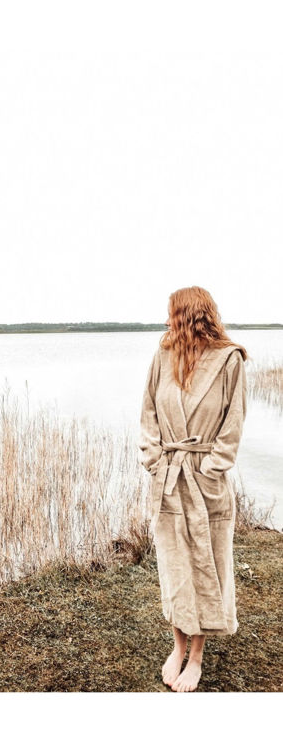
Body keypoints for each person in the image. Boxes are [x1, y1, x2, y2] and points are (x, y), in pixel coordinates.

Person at [139, 286, 248, 692]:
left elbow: (233, 424)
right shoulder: (162, 357)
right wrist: (153, 460)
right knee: (174, 565)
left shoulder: (229, 361)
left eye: (171, 314)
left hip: (206, 482)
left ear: (189, 314)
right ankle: (177, 645)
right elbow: (147, 411)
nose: (167, 322)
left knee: (206, 566)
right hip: (168, 479)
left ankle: (197, 654)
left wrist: (212, 469)